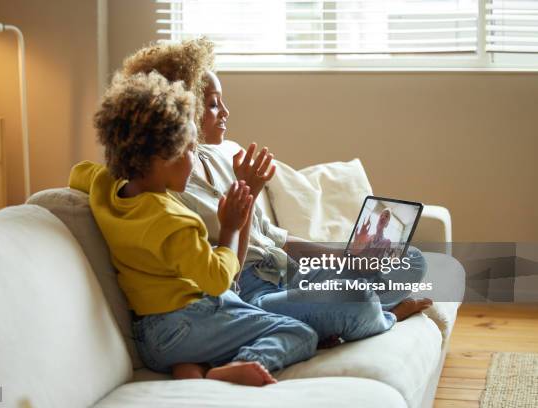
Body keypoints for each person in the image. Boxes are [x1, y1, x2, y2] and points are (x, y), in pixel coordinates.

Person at [122, 38, 433, 346]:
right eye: (214, 104)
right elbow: (222, 284)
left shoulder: (220, 156)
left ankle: (333, 316)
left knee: (411, 261)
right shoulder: (165, 191)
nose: (226, 112)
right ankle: (383, 315)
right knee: (358, 299)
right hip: (252, 297)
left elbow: (275, 237)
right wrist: (246, 201)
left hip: (289, 273)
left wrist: (347, 259)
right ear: (181, 108)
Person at [68, 70, 318, 386]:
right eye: (188, 149)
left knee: (232, 320)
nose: (193, 157)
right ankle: (237, 365)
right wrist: (229, 229)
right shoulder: (173, 220)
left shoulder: (105, 185)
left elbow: (78, 173)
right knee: (298, 332)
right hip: (186, 323)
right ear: (161, 155)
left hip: (151, 338)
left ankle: (191, 367)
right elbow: (216, 281)